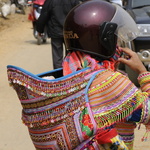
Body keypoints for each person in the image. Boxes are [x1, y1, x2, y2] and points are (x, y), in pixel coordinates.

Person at [7, 0, 150, 150]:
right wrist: (143, 72)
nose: (118, 44)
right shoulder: (110, 82)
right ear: (105, 39)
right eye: (115, 37)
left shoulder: (65, 77)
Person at [36, 0, 82, 69]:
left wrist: (40, 30)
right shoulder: (74, 1)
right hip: (70, 33)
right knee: (71, 55)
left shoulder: (50, 1)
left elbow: (44, 15)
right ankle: (70, 75)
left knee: (57, 56)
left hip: (56, 32)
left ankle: (58, 75)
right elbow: (79, 15)